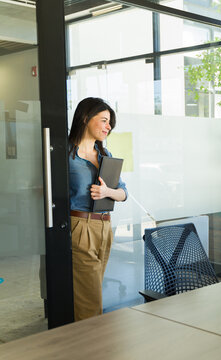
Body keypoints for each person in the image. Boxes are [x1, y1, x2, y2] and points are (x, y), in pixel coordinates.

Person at [68, 97, 128, 321]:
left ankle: (78, 343)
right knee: (90, 301)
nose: (108, 127)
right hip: (79, 227)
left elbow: (123, 193)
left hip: (104, 228)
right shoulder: (67, 155)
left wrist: (107, 193)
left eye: (110, 122)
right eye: (103, 120)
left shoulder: (105, 155)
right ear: (85, 118)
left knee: (89, 293)